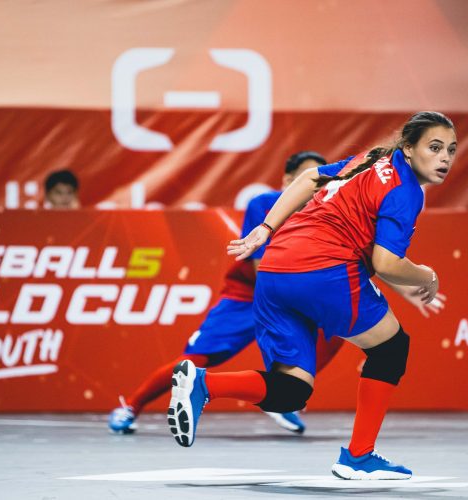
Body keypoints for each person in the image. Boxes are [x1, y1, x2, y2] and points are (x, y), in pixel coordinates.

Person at [168, 111, 453, 480]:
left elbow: (309, 178)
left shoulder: (372, 158)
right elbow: (385, 262)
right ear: (410, 148)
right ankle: (359, 456)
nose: (445, 157)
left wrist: (266, 227)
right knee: (390, 347)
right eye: (434, 147)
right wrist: (426, 275)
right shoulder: (405, 191)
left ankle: (205, 383)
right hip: (326, 270)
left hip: (275, 267)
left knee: (291, 391)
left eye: (451, 149)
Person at [109, 151, 345, 435]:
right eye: (309, 175)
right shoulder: (264, 204)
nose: (316, 183)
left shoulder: (326, 211)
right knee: (194, 361)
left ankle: (283, 393)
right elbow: (262, 269)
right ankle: (131, 406)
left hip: (293, 297)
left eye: (322, 177)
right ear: (288, 180)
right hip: (247, 297)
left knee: (338, 327)